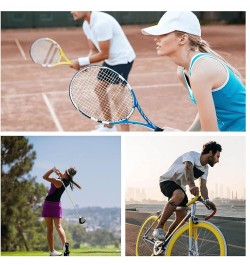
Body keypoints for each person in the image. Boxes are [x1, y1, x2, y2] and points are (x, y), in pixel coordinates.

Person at [141, 11, 246, 132]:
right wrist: (186, 135)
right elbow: (205, 110)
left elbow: (211, 135)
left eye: (163, 34)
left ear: (183, 39)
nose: (156, 39)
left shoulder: (201, 71)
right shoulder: (182, 72)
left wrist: (180, 136)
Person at [70, 11, 136, 132]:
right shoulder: (86, 25)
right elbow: (94, 50)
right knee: (99, 89)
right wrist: (84, 63)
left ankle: (126, 135)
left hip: (123, 59)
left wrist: (81, 61)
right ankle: (109, 126)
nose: (71, 11)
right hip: (111, 61)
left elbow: (104, 54)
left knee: (116, 95)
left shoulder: (101, 23)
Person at [153, 141, 221, 241]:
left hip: (180, 188)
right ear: (211, 152)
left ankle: (164, 242)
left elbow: (203, 186)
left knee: (182, 216)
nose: (218, 160)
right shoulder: (192, 155)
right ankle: (159, 227)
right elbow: (188, 170)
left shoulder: (205, 169)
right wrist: (192, 186)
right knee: (179, 195)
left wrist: (206, 201)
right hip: (167, 181)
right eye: (217, 156)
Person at [41, 166, 81, 256]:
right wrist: (59, 174)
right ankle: (65, 245)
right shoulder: (66, 181)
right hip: (57, 205)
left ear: (66, 172)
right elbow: (61, 178)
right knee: (59, 226)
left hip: (48, 204)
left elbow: (44, 177)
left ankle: (52, 251)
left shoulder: (58, 181)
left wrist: (52, 170)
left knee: (50, 229)